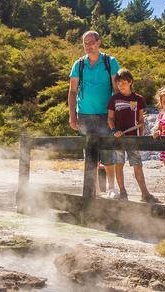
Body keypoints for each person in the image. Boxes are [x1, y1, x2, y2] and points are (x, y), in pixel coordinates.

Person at [68, 30, 120, 196]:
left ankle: (111, 188)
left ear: (99, 42)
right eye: (85, 43)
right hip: (84, 115)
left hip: (106, 115)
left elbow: (116, 89)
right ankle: (95, 190)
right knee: (89, 154)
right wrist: (72, 116)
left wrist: (115, 115)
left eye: (91, 42)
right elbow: (72, 92)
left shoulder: (109, 61)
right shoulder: (79, 64)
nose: (88, 46)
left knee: (108, 151)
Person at [107, 69, 159, 203]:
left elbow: (141, 121)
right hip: (118, 138)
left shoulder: (138, 99)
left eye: (124, 82)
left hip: (133, 139)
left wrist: (140, 137)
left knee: (137, 165)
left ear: (130, 82)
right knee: (119, 164)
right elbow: (110, 119)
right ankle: (123, 193)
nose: (121, 85)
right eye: (119, 83)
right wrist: (114, 131)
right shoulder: (114, 99)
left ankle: (145, 194)